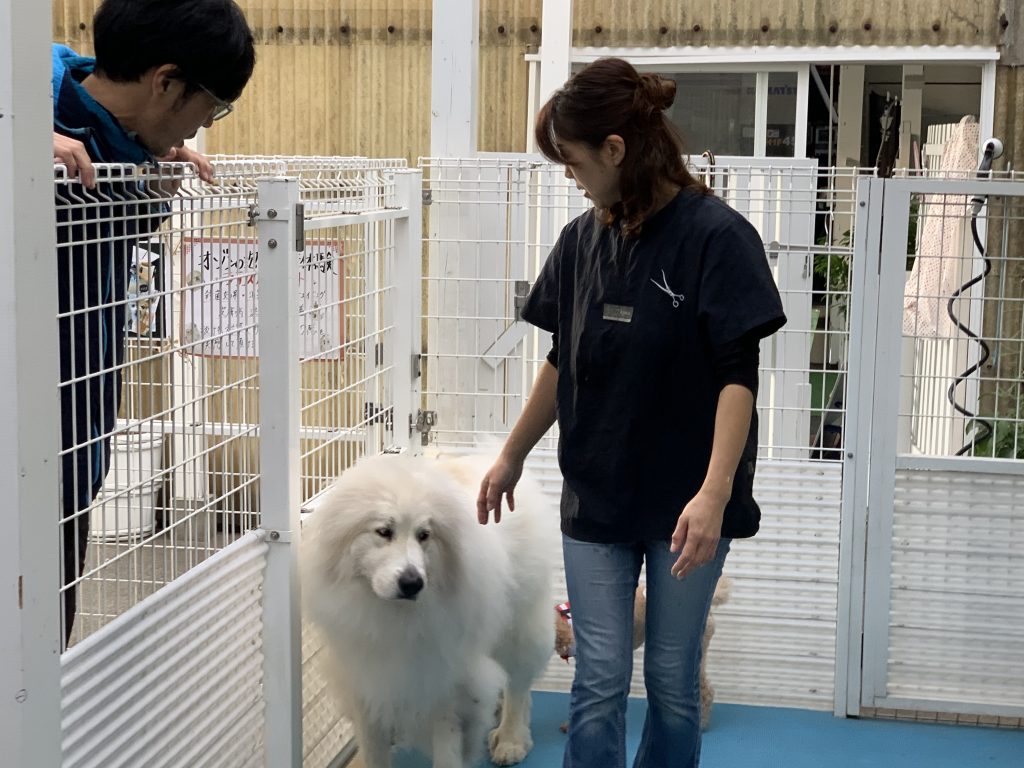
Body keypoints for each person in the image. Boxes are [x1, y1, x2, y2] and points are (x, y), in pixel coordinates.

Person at [477, 58, 786, 768]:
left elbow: (739, 377)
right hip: (598, 495)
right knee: (598, 679)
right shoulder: (582, 242)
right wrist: (513, 453)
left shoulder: (716, 238)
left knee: (672, 680)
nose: (571, 179)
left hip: (689, 506)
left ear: (616, 150)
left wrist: (713, 494)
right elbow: (563, 358)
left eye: (576, 163)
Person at [52, 0, 255, 648]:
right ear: (166, 82)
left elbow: (91, 251)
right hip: (26, 435)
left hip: (72, 436)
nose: (201, 127)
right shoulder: (31, 107)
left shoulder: (123, 148)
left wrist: (152, 191)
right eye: (212, 106)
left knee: (45, 637)